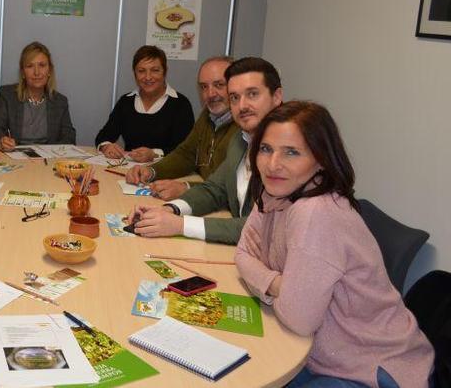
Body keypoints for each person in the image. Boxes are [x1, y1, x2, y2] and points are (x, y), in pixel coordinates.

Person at [236, 101, 434, 387]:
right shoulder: (274, 191)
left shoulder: (316, 212)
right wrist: (281, 285)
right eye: (266, 149)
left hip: (368, 366)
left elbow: (298, 318)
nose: (272, 164)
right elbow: (242, 254)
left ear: (320, 159)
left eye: (292, 152)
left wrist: (280, 287)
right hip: (317, 351)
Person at [127, 57, 283, 244]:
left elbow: (260, 228)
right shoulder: (241, 140)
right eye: (235, 97)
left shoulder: (287, 152)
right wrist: (170, 209)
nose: (242, 106)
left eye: (252, 94)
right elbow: (214, 190)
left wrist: (180, 224)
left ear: (276, 97)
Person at [126, 56, 239, 200]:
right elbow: (186, 154)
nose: (210, 94)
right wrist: (151, 171)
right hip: (207, 200)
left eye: (219, 85)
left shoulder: (247, 128)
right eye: (204, 87)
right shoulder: (208, 115)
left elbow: (233, 187)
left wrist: (187, 188)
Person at [95, 45, 194, 162]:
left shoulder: (180, 104)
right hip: (128, 171)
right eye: (141, 71)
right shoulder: (126, 101)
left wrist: (155, 154)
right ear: (135, 74)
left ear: (165, 71)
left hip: (166, 172)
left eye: (155, 70)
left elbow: (186, 149)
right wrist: (106, 146)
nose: (148, 77)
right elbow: (103, 136)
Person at [0, 41, 76, 149]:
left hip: (48, 160)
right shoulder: (7, 95)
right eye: (30, 66)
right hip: (14, 157)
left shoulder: (60, 101)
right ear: (23, 73)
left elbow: (69, 137)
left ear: (49, 71)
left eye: (42, 65)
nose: (37, 72)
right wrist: (2, 139)